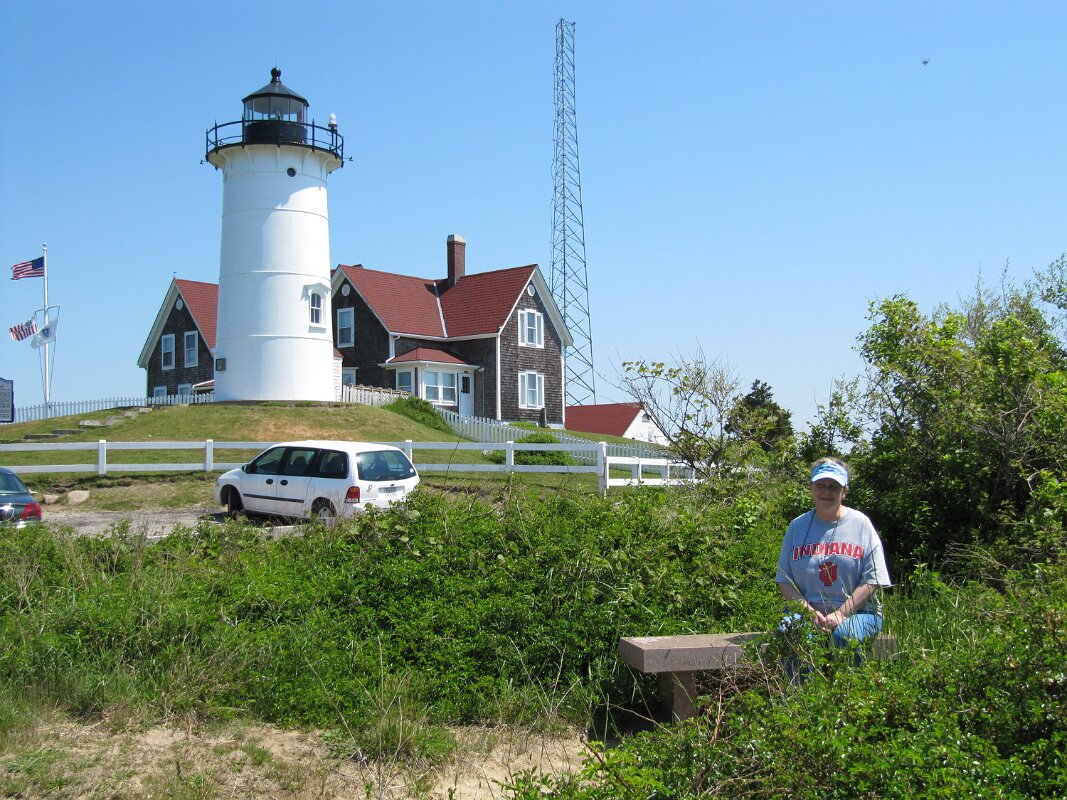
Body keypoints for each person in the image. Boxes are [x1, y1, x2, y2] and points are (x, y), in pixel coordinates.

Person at [775, 458, 891, 647]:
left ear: (844, 491)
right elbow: (784, 580)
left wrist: (841, 614)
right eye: (820, 485)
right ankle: (798, 678)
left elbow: (873, 579)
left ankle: (846, 678)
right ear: (810, 487)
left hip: (859, 614)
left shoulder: (861, 524)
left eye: (834, 486)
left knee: (844, 635)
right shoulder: (797, 526)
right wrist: (809, 613)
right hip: (806, 613)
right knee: (790, 633)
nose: (826, 492)